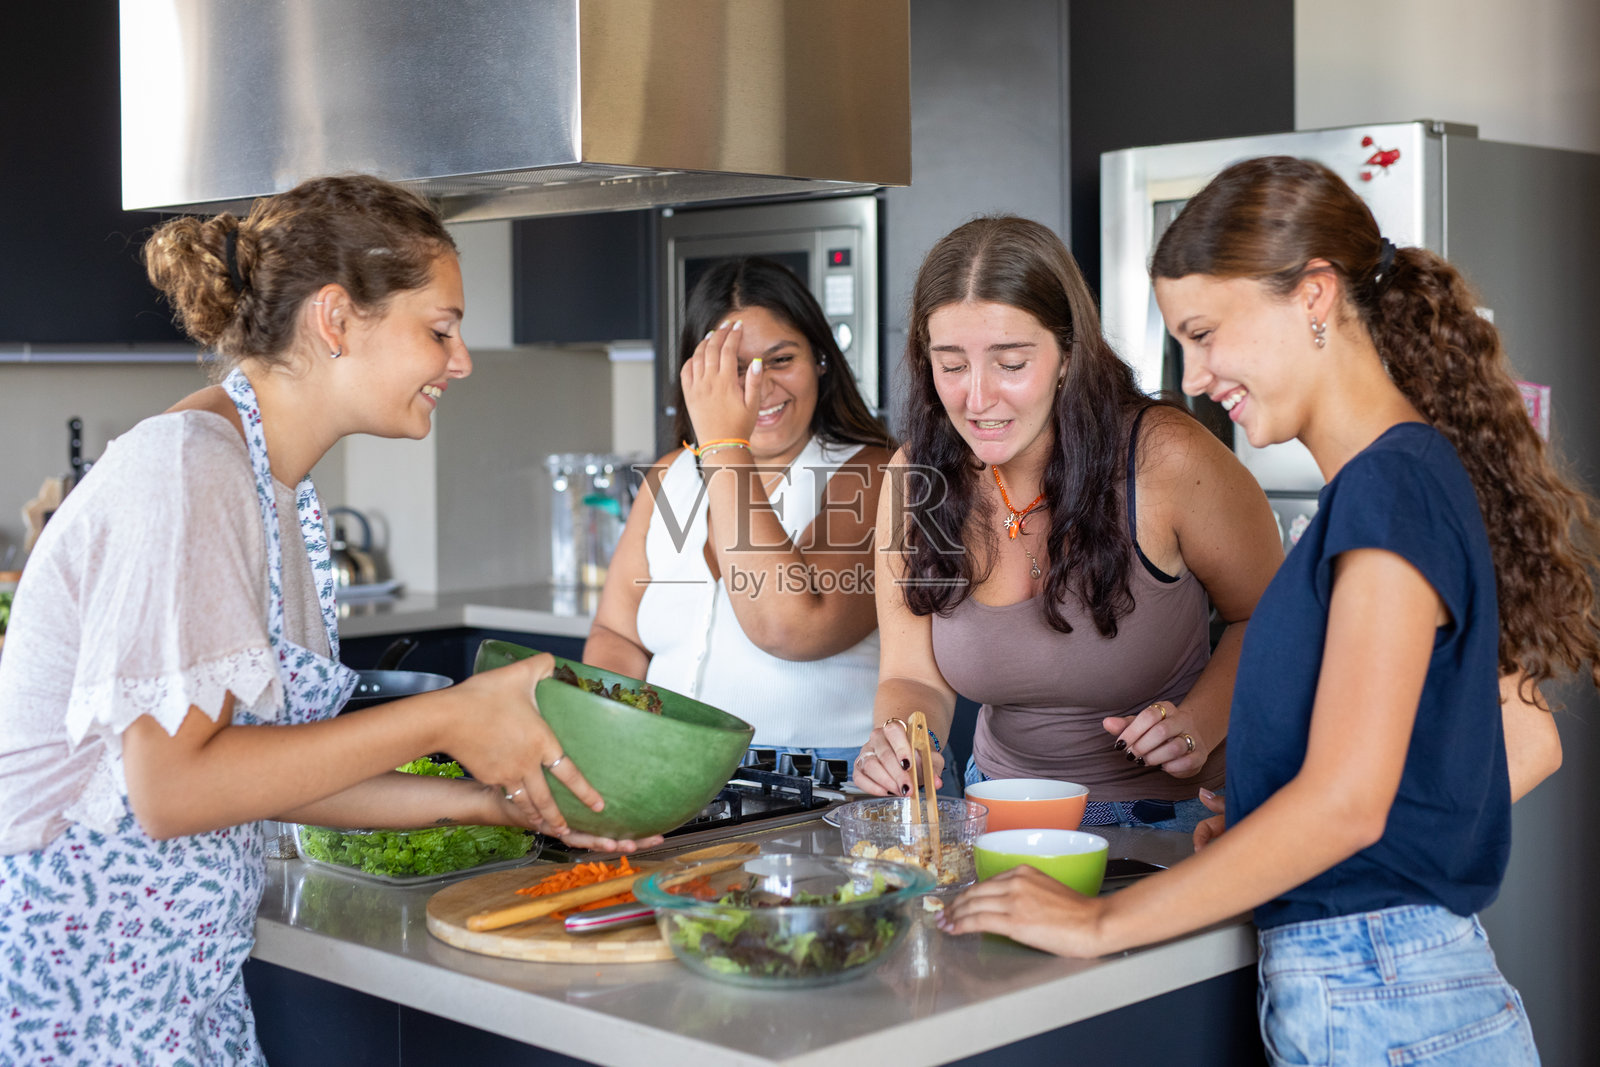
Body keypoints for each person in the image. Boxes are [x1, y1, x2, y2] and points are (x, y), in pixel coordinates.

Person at [938, 157, 1587, 1065]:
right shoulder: (1384, 487)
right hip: (1373, 991)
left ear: (1313, 295)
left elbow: (1348, 804)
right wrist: (1258, 822)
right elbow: (1441, 766)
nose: (1196, 377)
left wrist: (1100, 920)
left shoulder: (1390, 494)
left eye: (1205, 333)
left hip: (1383, 996)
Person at [0, 174, 656, 1066]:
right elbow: (171, 792)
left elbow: (257, 772)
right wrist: (449, 714)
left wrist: (490, 805)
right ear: (336, 320)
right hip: (85, 1002)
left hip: (174, 993)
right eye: (440, 329)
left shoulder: (270, 484)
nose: (461, 361)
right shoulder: (189, 468)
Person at [852, 216, 1284, 832]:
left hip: (1175, 819)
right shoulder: (916, 477)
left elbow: (1275, 615)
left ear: (1067, 356)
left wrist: (1200, 723)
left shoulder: (1165, 457)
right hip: (996, 813)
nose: (977, 399)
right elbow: (910, 675)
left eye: (1010, 363)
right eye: (951, 365)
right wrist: (899, 744)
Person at [584, 257, 894, 769]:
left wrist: (726, 444)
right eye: (733, 369)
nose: (759, 388)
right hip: (666, 770)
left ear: (820, 359)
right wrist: (611, 734)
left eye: (780, 360)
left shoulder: (873, 474)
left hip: (821, 783)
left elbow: (792, 628)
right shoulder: (667, 478)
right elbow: (617, 635)